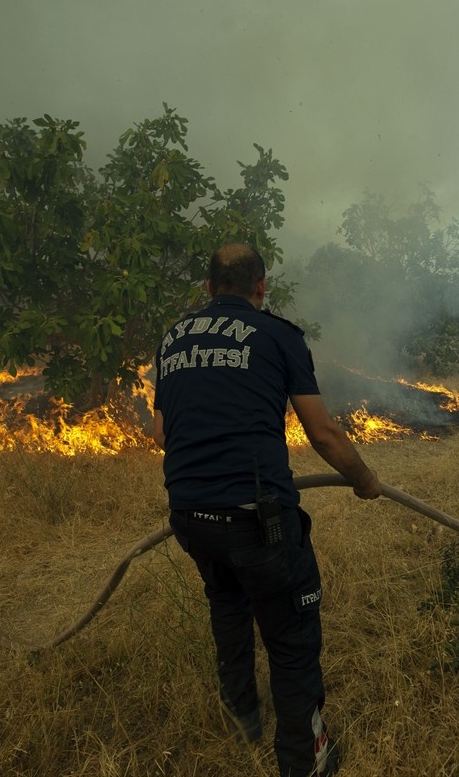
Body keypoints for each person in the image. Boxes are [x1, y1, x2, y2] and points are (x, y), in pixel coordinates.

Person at [152, 243, 381, 777]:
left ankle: (241, 715)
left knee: (227, 605)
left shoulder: (172, 339)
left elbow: (161, 432)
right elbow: (321, 431)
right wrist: (365, 479)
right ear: (261, 288)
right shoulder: (280, 335)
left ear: (207, 289)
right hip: (256, 521)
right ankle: (306, 757)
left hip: (188, 515)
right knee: (292, 633)